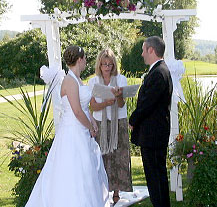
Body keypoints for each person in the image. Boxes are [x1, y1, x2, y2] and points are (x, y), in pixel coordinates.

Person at [25, 45, 109, 207]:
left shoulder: (78, 80)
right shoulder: (69, 81)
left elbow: (84, 107)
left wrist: (92, 120)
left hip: (82, 131)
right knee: (73, 172)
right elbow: (76, 111)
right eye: (84, 59)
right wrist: (90, 128)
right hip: (73, 132)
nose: (86, 62)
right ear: (79, 60)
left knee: (86, 173)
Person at [129, 36, 173, 207]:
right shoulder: (160, 70)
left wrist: (133, 120)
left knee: (155, 178)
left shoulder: (158, 73)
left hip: (153, 135)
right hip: (155, 134)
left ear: (151, 50)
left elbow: (147, 104)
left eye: (143, 50)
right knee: (157, 177)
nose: (141, 54)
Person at [88, 48, 133, 205]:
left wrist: (119, 96)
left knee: (118, 155)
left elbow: (121, 104)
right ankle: (102, 190)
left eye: (110, 64)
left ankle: (116, 191)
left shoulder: (121, 79)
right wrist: (106, 103)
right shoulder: (93, 81)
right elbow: (92, 106)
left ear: (114, 65)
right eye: (104, 64)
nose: (107, 67)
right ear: (99, 65)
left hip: (118, 122)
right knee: (102, 156)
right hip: (100, 122)